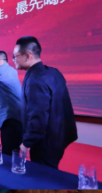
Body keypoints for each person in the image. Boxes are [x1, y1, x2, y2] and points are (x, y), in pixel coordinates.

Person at [13, 36, 78, 169]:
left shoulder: (35, 80)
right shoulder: (54, 72)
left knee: (43, 175)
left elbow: (38, 116)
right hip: (58, 137)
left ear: (27, 56)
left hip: (45, 142)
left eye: (15, 56)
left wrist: (27, 143)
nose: (13, 60)